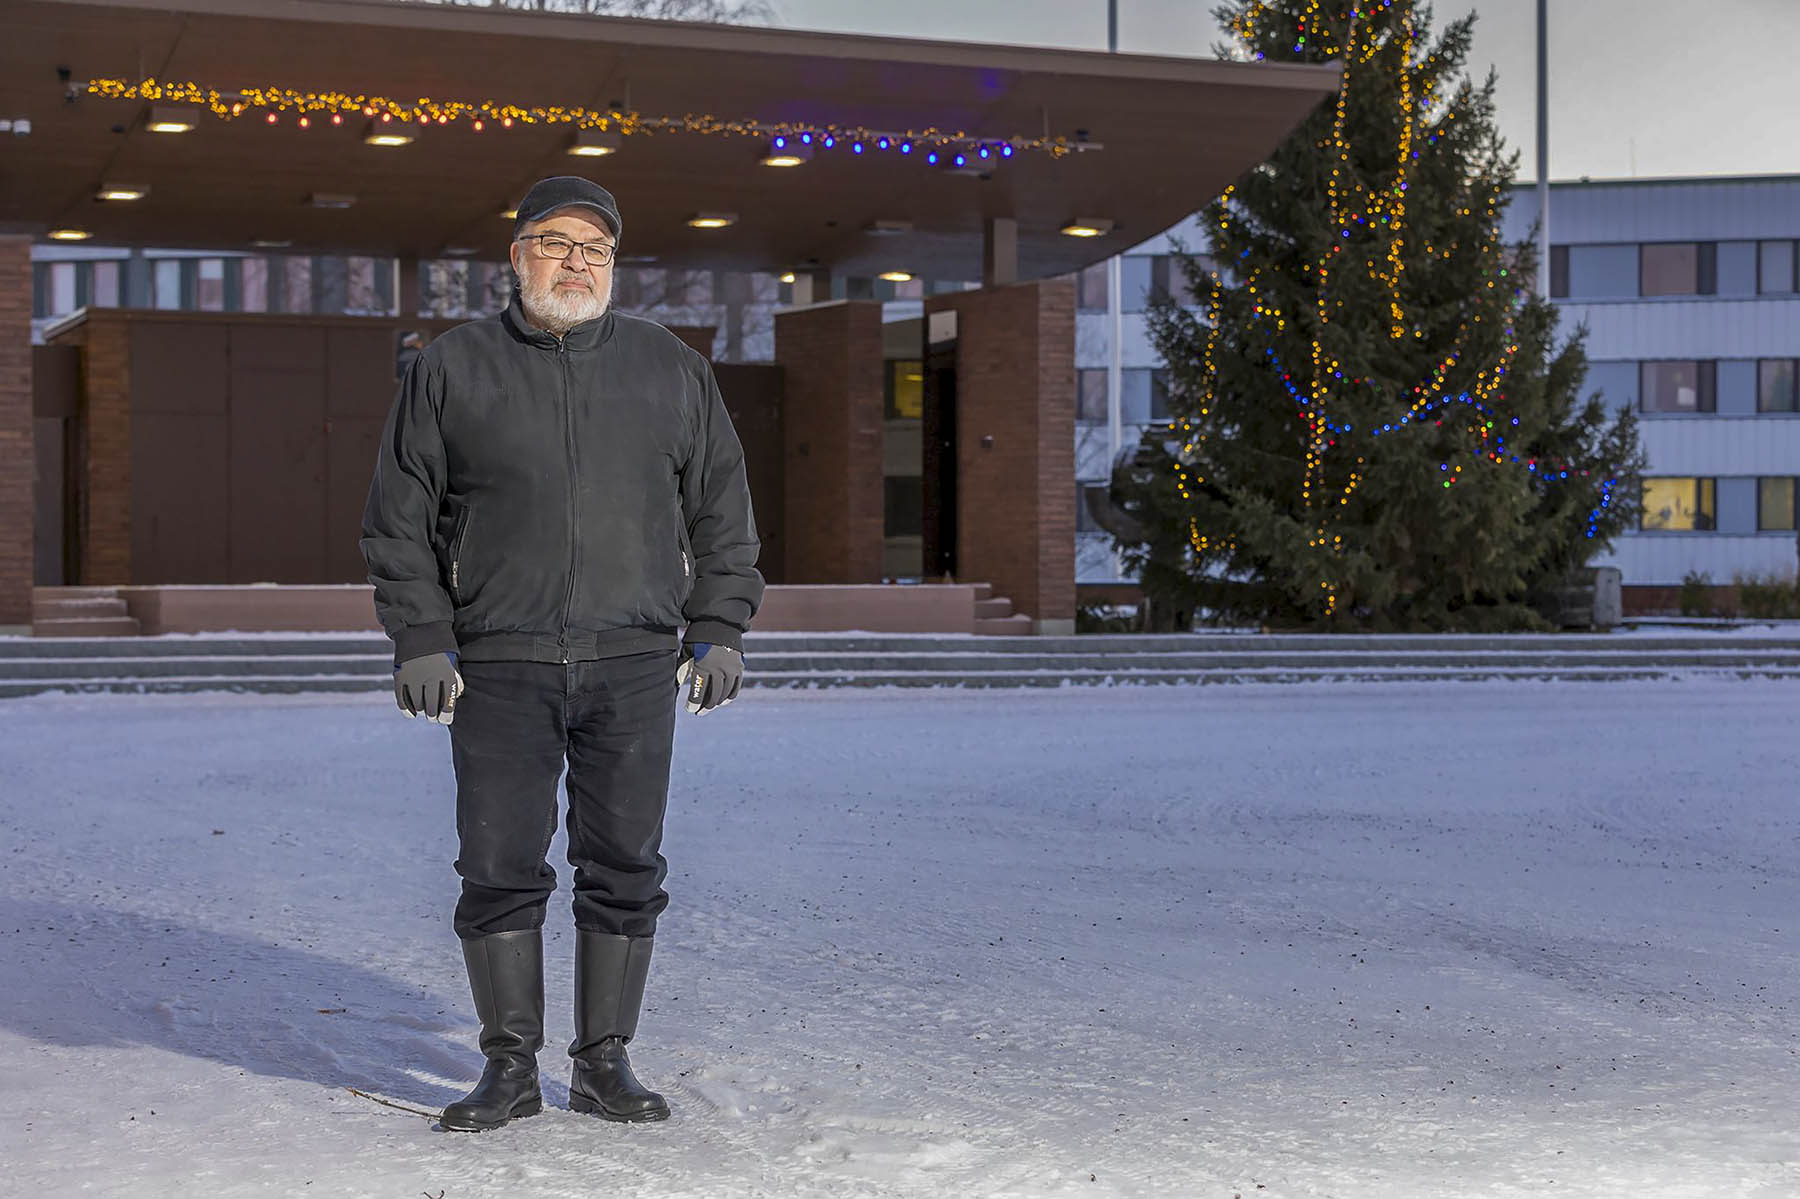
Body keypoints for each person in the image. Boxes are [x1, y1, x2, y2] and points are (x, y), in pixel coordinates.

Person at [360, 175, 763, 1131]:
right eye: (554, 242)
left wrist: (720, 625)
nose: (575, 261)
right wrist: (421, 634)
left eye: (595, 248)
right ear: (516, 255)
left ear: (614, 265)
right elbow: (400, 515)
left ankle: (603, 1060)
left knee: (625, 860)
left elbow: (722, 510)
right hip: (500, 658)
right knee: (497, 861)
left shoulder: (671, 368)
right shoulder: (450, 367)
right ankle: (507, 1066)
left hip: (633, 660)